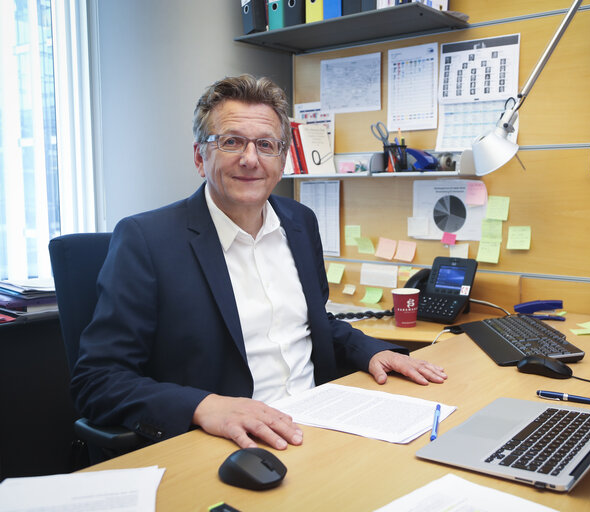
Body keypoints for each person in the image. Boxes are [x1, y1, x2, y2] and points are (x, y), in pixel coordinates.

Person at [72, 74, 446, 452]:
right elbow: (98, 380)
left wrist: (372, 351)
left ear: (281, 160)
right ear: (201, 156)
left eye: (266, 145)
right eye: (231, 141)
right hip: (229, 447)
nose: (250, 159)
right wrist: (203, 406)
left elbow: (314, 323)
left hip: (322, 426)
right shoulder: (147, 241)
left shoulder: (300, 222)